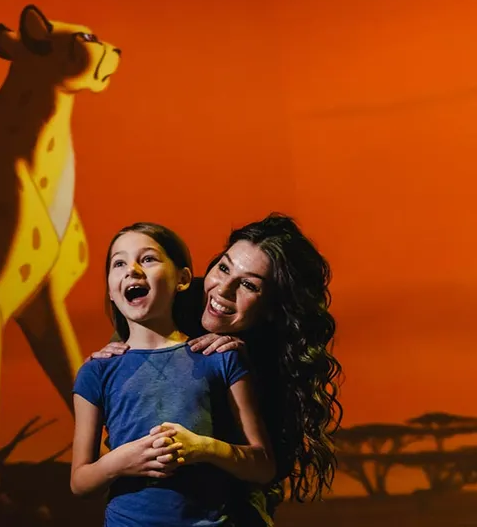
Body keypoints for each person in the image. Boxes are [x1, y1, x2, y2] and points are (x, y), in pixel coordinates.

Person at [90, 213, 344, 525]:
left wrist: (241, 366)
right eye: (223, 267)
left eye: (248, 285)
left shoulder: (279, 360)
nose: (222, 290)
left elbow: (265, 468)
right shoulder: (170, 298)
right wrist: (116, 353)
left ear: (276, 308)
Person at [70, 222, 276, 527]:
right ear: (111, 291)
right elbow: (80, 481)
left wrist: (203, 449)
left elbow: (262, 465)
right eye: (119, 263)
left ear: (183, 278)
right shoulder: (96, 371)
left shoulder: (219, 357)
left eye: (148, 258)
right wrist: (121, 461)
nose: (132, 270)